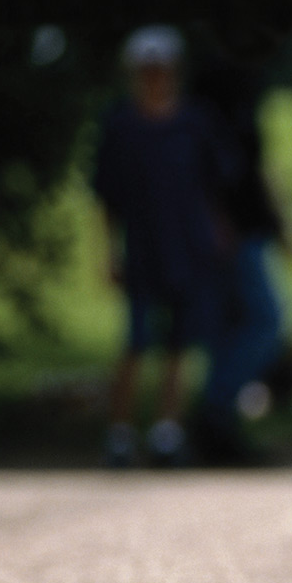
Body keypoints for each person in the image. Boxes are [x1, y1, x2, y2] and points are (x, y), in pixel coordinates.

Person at [92, 26, 231, 467]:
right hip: (141, 248)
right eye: (146, 71)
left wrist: (218, 234)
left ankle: (167, 432)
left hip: (188, 248)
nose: (155, 79)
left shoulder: (195, 123)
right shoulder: (120, 125)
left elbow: (213, 187)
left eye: (162, 70)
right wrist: (108, 251)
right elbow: (106, 199)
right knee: (134, 344)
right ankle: (119, 433)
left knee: (179, 346)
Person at [189, 55, 292, 462]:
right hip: (228, 238)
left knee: (237, 326)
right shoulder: (210, 103)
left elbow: (256, 169)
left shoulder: (241, 99)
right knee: (265, 323)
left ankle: (220, 423)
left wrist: (282, 226)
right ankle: (214, 413)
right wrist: (218, 222)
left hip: (248, 233)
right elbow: (208, 174)